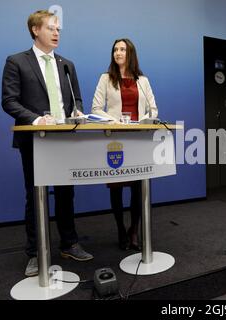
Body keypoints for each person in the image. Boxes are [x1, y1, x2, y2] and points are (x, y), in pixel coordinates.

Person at [1, 10, 93, 277]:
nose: (56, 33)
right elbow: (9, 100)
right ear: (35, 30)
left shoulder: (67, 64)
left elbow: (76, 99)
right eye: (51, 28)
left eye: (58, 29)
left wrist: (77, 110)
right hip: (35, 139)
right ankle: (35, 253)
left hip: (64, 138)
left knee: (66, 193)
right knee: (35, 195)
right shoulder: (17, 61)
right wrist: (35, 119)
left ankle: (69, 243)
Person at [92, 38, 158, 250]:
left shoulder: (142, 80)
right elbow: (95, 108)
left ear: (131, 53)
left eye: (122, 49)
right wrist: (115, 120)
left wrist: (143, 121)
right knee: (117, 188)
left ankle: (134, 231)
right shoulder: (106, 78)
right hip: (116, 139)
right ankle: (120, 229)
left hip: (137, 138)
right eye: (115, 50)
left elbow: (153, 110)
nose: (118, 53)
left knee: (138, 187)